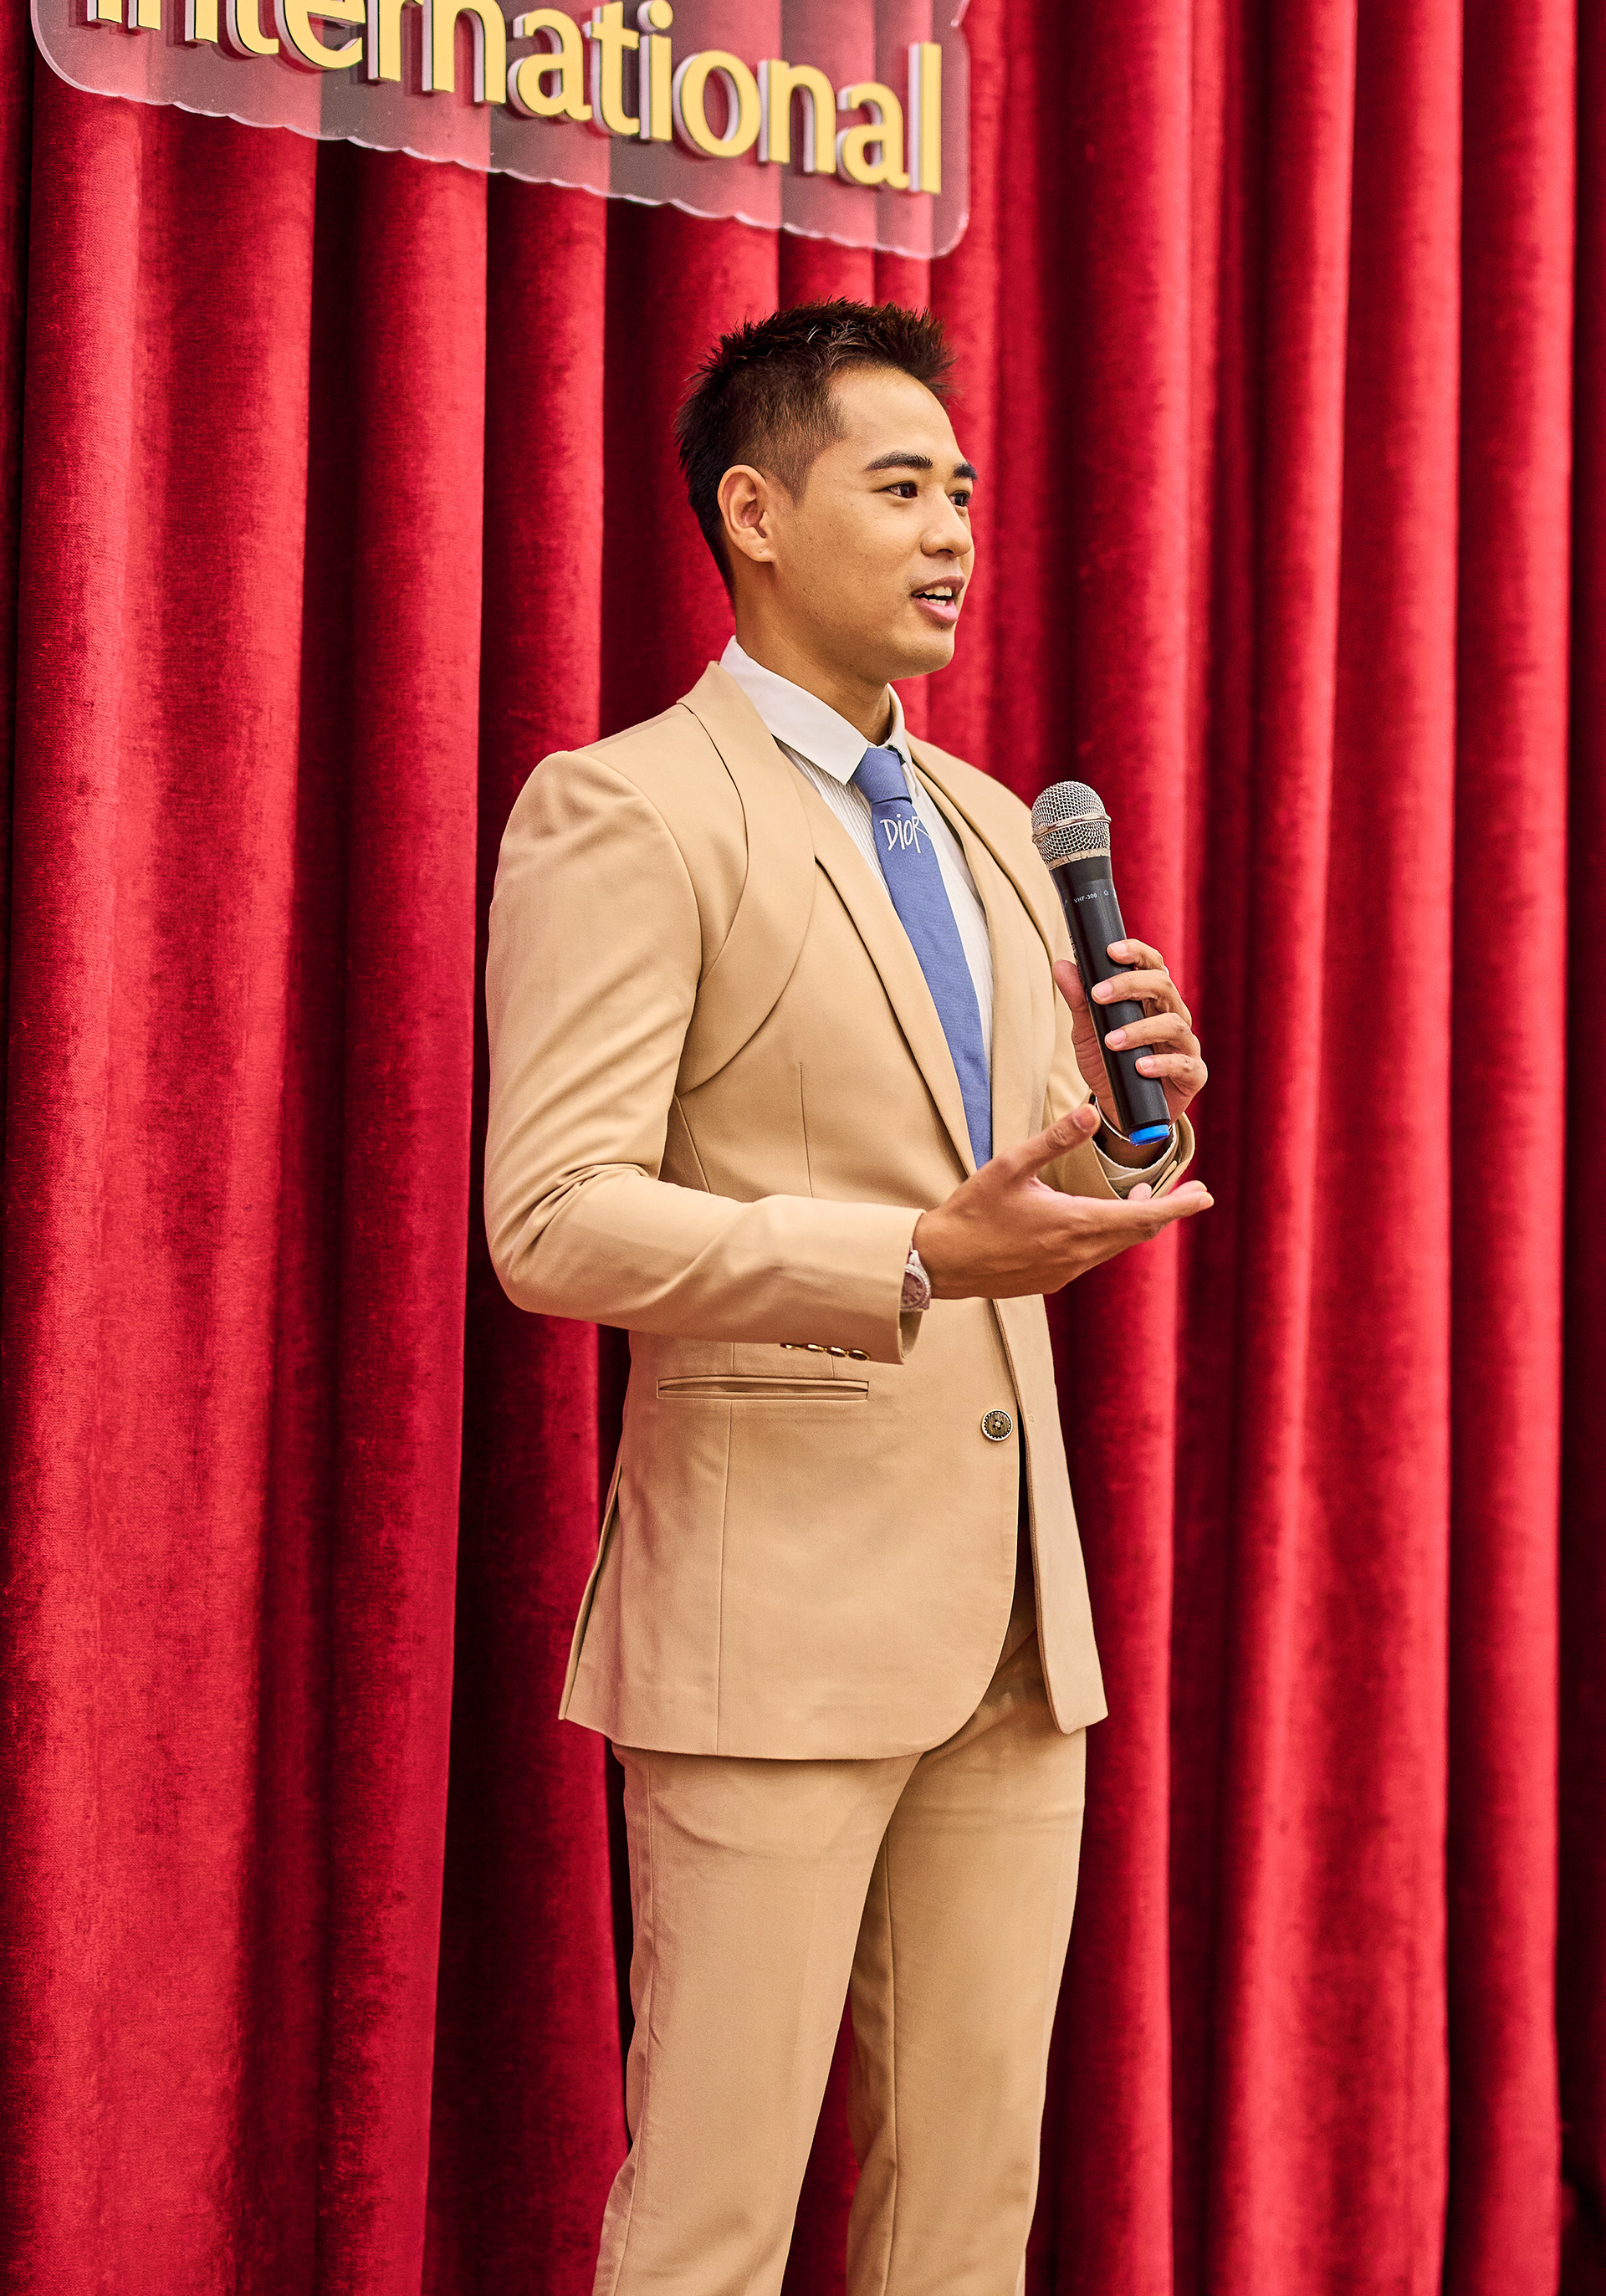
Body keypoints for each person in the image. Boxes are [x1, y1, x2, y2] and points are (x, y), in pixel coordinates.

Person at [483, 300, 1211, 2294]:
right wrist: (899, 1259)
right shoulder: (628, 805)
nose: (954, 531)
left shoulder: (992, 820)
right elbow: (551, 1217)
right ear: (755, 512)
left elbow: (1008, 1182)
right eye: (901, 488)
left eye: (962, 490)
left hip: (1012, 1626)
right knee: (713, 2229)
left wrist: (1127, 1133)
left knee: (966, 2219)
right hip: (771, 1628)